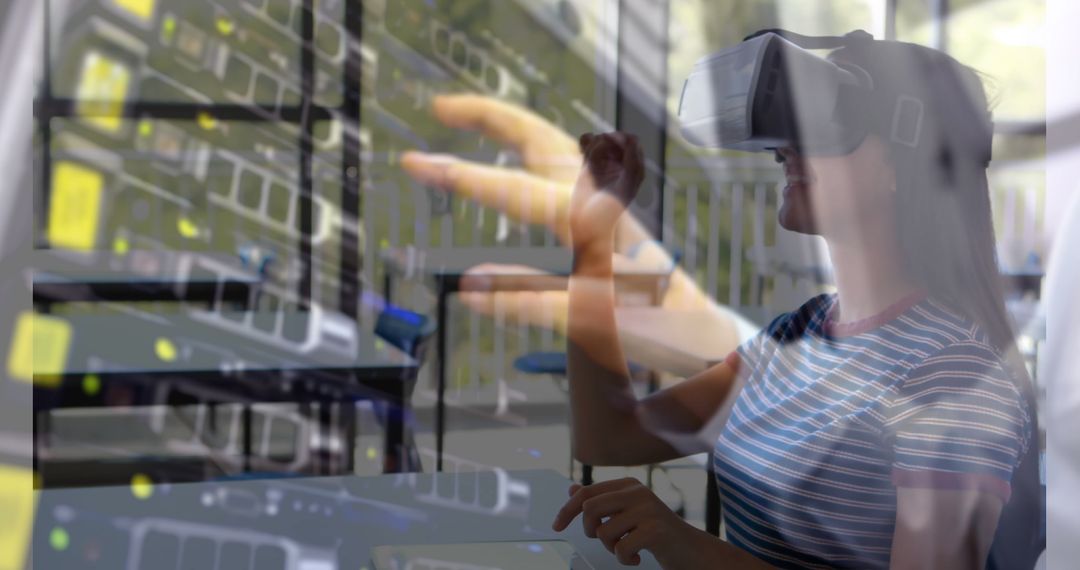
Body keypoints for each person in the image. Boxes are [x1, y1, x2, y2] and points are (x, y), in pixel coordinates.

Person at [550, 36, 1039, 569]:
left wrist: (686, 544)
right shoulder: (799, 333)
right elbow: (609, 437)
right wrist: (593, 243)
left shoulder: (952, 375)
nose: (785, 146)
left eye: (831, 116)